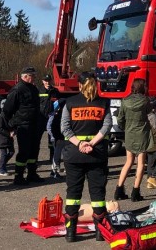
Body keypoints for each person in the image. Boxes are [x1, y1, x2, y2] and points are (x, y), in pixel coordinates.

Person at [60, 74, 112, 242]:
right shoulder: (103, 103)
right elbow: (107, 126)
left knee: (73, 193)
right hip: (96, 154)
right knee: (98, 193)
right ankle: (100, 232)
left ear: (80, 85)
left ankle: (70, 233)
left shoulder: (70, 103)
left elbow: (64, 128)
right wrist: (92, 143)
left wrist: (80, 144)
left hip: (74, 155)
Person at [2, 66, 41, 184]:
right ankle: (18, 176)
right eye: (32, 75)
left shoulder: (33, 88)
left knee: (34, 150)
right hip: (23, 125)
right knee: (24, 151)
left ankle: (32, 174)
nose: (34, 77)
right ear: (25, 76)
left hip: (34, 124)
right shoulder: (17, 89)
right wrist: (11, 126)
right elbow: (7, 110)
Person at [114, 78, 150, 202]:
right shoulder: (145, 101)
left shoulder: (125, 101)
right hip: (142, 133)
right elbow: (150, 113)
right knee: (141, 163)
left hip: (129, 133)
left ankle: (119, 189)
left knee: (128, 162)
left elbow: (120, 119)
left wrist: (125, 127)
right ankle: (135, 192)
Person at [37, 74, 60, 178]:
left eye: (49, 80)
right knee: (37, 140)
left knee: (52, 141)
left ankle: (52, 161)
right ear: (42, 81)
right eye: (45, 80)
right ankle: (34, 161)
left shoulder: (55, 91)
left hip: (52, 118)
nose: (47, 82)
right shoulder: (39, 90)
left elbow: (59, 102)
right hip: (41, 118)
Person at [0, 101, 14, 176]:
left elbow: (12, 125)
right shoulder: (0, 117)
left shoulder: (9, 116)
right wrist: (9, 133)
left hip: (8, 139)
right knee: (4, 154)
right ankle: (2, 170)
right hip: (2, 139)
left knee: (11, 152)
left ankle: (2, 165)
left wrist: (14, 131)